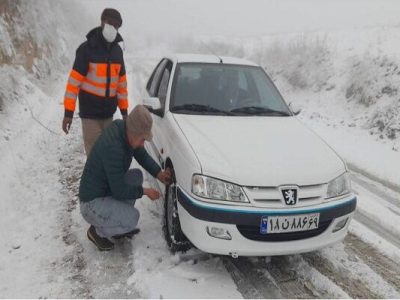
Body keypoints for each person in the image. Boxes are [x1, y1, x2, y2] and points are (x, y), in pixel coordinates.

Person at [79, 105, 172, 251]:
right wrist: (145, 191)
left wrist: (158, 173)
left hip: (104, 191)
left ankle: (116, 223)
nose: (143, 143)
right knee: (132, 218)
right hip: (91, 204)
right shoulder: (113, 148)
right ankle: (97, 232)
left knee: (136, 175)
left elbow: (140, 154)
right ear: (134, 133)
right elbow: (119, 190)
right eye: (142, 139)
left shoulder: (123, 129)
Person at [62, 8, 129, 156]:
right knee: (94, 156)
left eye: (117, 26)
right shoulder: (86, 50)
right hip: (90, 115)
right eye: (111, 24)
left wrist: (124, 113)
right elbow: (73, 84)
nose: (114, 28)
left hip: (108, 115)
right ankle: (93, 179)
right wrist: (68, 113)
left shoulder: (118, 52)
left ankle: (103, 179)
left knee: (107, 154)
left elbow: (122, 87)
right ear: (102, 22)